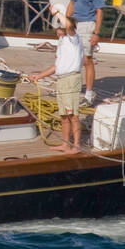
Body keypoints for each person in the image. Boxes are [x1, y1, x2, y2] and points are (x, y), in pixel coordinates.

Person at [26, 13, 84, 153]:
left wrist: (57, 11)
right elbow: (57, 67)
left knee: (73, 115)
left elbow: (69, 25)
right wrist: (38, 76)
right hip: (62, 80)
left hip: (71, 80)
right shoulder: (62, 42)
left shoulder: (73, 39)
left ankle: (76, 145)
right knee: (64, 115)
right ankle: (65, 144)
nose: (56, 27)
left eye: (59, 24)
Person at [65, 0, 105, 104]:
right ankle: (72, 87)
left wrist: (96, 33)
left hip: (87, 25)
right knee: (71, 56)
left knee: (86, 59)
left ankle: (88, 94)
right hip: (74, 24)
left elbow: (99, 10)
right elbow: (72, 3)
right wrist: (66, 22)